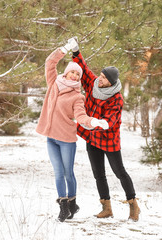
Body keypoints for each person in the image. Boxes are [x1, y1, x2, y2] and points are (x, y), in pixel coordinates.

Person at [35, 39, 109, 222]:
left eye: (78, 74)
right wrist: (64, 49)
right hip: (51, 138)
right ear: (66, 73)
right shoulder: (53, 83)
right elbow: (49, 62)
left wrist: (95, 122)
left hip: (67, 140)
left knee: (68, 172)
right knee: (58, 173)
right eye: (72, 72)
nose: (75, 76)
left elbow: (81, 117)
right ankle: (64, 206)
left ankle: (72, 203)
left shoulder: (77, 96)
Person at [69, 38, 140, 221]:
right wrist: (76, 52)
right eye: (100, 76)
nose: (100, 80)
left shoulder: (116, 98)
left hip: (109, 140)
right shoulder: (93, 84)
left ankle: (133, 205)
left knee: (119, 172)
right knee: (98, 174)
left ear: (110, 83)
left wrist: (101, 123)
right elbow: (83, 69)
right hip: (92, 137)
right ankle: (106, 208)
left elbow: (111, 119)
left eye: (104, 79)